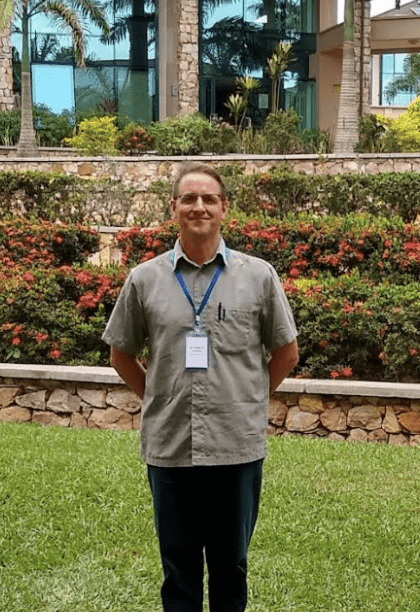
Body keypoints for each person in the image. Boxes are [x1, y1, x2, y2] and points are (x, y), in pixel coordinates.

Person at [102, 161, 299, 612]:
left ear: (224, 208)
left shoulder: (258, 276)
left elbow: (286, 352)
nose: (199, 207)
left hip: (236, 446)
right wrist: (157, 396)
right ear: (173, 208)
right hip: (170, 446)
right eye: (189, 198)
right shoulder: (145, 279)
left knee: (231, 567)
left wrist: (248, 399)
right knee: (179, 569)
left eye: (209, 198)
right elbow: (121, 353)